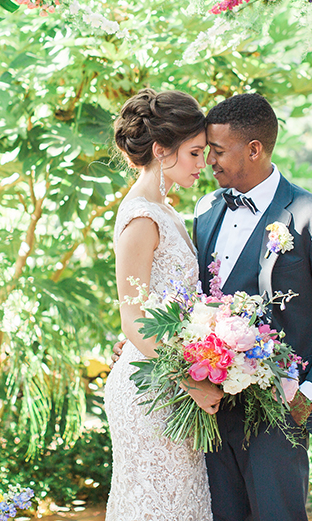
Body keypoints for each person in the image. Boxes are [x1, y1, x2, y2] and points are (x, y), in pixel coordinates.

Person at [193, 93, 312, 521]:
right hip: (211, 407)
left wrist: (308, 397)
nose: (208, 161)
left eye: (217, 151)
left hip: (279, 410)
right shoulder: (206, 210)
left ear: (253, 149)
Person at [105, 87, 222, 521]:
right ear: (161, 150)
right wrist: (189, 380)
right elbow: (133, 319)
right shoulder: (141, 218)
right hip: (152, 390)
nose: (202, 164)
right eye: (194, 153)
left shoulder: (167, 210)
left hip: (171, 383)